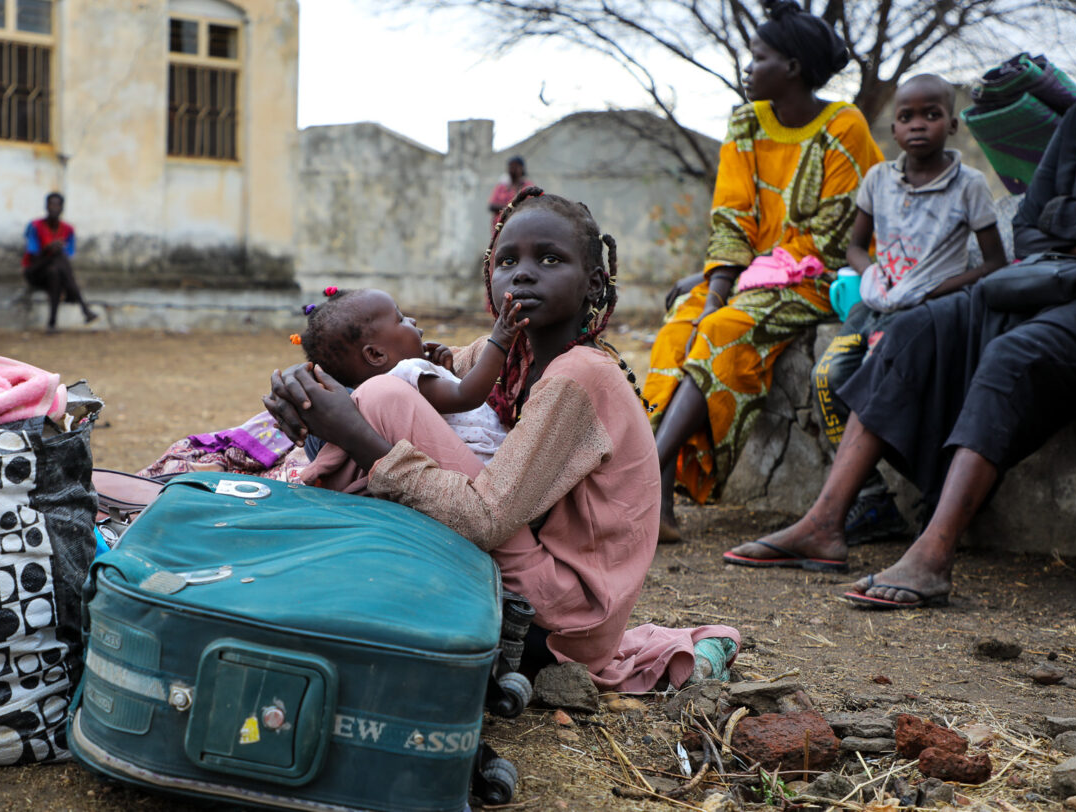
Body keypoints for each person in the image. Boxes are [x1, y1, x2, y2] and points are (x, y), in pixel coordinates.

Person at [266, 187, 738, 692]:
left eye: (550, 259)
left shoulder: (579, 376)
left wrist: (357, 435)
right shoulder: (510, 357)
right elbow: (382, 365)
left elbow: (484, 519)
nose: (523, 273)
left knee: (384, 399)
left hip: (559, 619)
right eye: (507, 260)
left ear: (593, 283)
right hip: (527, 579)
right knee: (373, 396)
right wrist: (313, 385)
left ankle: (320, 538)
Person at [722, 0, 1076, 608]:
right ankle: (826, 523)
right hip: (1059, 281)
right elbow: (1034, 223)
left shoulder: (968, 183)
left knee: (1010, 356)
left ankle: (933, 553)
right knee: (913, 329)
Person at [643, 0, 883, 544]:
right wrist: (714, 284)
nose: (748, 68)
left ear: (793, 67)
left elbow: (830, 237)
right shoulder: (747, 123)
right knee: (682, 325)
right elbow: (731, 214)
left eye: (760, 57)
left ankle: (651, 469)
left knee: (723, 328)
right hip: (751, 273)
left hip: (817, 277)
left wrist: (727, 293)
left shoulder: (843, 126)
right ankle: (650, 480)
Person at [809, 74, 1007, 546]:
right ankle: (872, 498)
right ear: (893, 129)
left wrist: (934, 291)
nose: (918, 125)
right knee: (828, 376)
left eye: (931, 115)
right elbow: (855, 248)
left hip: (926, 317)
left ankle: (936, 496)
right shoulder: (878, 178)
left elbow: (996, 262)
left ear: (953, 124)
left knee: (892, 394)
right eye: (906, 117)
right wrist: (876, 275)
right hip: (876, 305)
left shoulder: (969, 185)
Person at [295, 286, 524, 471]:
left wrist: (447, 372)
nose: (413, 320)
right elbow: (466, 397)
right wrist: (499, 341)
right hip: (483, 466)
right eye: (401, 319)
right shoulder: (406, 374)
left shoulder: (380, 395)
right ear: (375, 354)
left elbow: (452, 416)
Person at [23, 192, 97, 331]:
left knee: (55, 272)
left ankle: (52, 323)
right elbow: (32, 255)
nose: (54, 208)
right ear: (46, 206)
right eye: (52, 204)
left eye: (57, 205)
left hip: (54, 272)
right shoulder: (35, 226)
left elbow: (69, 253)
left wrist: (56, 249)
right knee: (58, 259)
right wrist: (48, 249)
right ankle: (83, 307)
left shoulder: (68, 230)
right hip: (35, 271)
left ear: (62, 208)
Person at [488, 156, 530, 223]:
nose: (512, 169)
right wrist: (512, 207)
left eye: (516, 166)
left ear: (522, 168)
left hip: (522, 224)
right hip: (501, 227)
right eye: (511, 166)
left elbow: (532, 205)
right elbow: (492, 206)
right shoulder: (501, 187)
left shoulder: (527, 186)